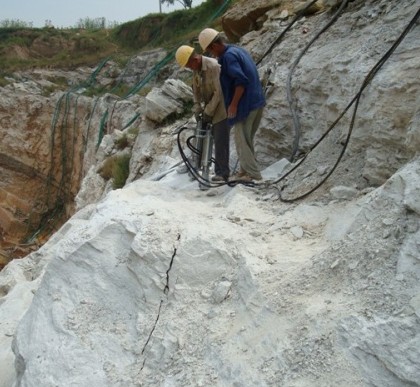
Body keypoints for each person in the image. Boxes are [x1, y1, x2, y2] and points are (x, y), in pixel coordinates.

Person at [198, 28, 265, 181]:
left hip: (246, 104)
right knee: (246, 139)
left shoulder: (228, 57)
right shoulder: (237, 49)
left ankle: (252, 174)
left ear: (214, 46)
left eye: (210, 51)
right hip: (257, 102)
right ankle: (244, 171)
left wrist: (233, 104)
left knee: (241, 140)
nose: (212, 55)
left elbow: (240, 81)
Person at [175, 45, 231, 182]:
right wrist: (197, 106)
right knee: (201, 135)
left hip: (221, 108)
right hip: (208, 107)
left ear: (194, 59)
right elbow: (196, 90)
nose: (189, 68)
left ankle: (222, 173)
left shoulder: (213, 66)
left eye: (188, 65)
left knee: (220, 140)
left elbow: (219, 93)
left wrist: (208, 112)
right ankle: (197, 166)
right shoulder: (197, 69)